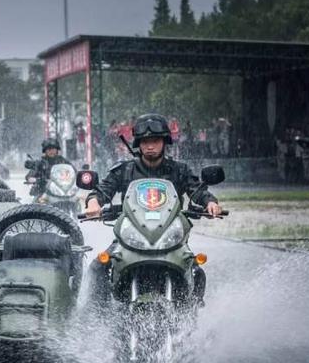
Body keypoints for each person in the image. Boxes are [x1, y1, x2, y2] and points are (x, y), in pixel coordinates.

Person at [84, 113, 223, 305]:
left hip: (170, 237)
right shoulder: (124, 170)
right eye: (145, 141)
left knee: (196, 270)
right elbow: (102, 191)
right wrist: (94, 204)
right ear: (138, 144)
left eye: (155, 141)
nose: (150, 146)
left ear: (164, 142)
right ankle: (99, 320)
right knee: (99, 267)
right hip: (130, 238)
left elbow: (197, 190)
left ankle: (190, 317)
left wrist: (210, 203)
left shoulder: (180, 170)